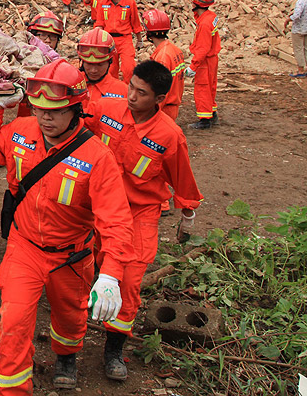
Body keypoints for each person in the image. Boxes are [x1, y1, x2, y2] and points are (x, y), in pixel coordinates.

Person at [0, 61, 135, 394]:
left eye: (55, 111)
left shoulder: (97, 157)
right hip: (25, 247)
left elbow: (116, 220)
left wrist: (110, 274)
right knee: (13, 324)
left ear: (75, 109)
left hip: (71, 257)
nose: (45, 117)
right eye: (39, 108)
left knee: (71, 318)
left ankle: (66, 356)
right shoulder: (21, 130)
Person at [85, 60, 201, 382]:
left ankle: (113, 349)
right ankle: (83, 308)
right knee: (87, 263)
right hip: (97, 206)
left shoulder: (169, 136)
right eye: (130, 87)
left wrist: (187, 213)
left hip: (139, 214)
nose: (131, 96)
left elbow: (183, 178)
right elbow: (76, 127)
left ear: (159, 99)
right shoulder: (106, 109)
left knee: (130, 280)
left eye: (141, 93)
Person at [94, 0, 142, 84]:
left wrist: (139, 40)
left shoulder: (130, 3)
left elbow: (136, 23)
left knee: (128, 68)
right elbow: (100, 23)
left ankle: (128, 92)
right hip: (109, 40)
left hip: (125, 39)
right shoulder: (103, 3)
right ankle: (113, 93)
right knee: (111, 69)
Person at [142, 9, 185, 120]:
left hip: (164, 109)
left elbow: (160, 89)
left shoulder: (162, 57)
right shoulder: (174, 50)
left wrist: (151, 112)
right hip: (172, 106)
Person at [188, 0, 221, 130]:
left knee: (202, 88)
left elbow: (202, 48)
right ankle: (212, 113)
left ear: (197, 4)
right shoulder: (210, 17)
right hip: (212, 59)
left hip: (205, 61)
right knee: (211, 86)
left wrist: (193, 67)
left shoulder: (204, 24)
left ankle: (204, 119)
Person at [77, 28, 128, 108]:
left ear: (110, 62)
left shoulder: (123, 91)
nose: (94, 70)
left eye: (99, 64)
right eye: (89, 64)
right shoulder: (71, 85)